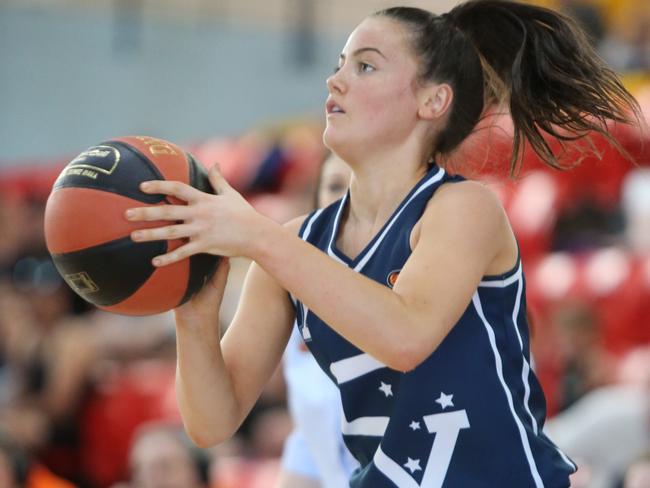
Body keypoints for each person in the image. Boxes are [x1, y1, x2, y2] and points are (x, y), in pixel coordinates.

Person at [125, 1, 640, 486]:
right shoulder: (291, 246)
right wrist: (192, 313)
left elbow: (405, 335)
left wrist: (256, 234)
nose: (335, 80)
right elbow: (212, 422)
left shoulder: (462, 209)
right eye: (339, 64)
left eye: (365, 67)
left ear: (433, 100)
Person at [277, 153, 358, 488]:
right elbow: (309, 446)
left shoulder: (425, 289)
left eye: (361, 185)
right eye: (335, 186)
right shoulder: (292, 303)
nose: (346, 201)